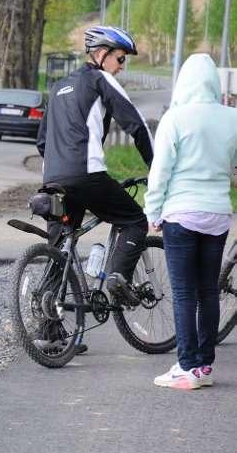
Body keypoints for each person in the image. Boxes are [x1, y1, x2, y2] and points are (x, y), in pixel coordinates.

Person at [37, 25, 154, 311]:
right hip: (86, 174)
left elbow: (41, 141)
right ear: (102, 54)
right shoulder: (99, 79)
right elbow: (136, 125)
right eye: (121, 58)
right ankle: (119, 278)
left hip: (51, 179)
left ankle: (48, 327)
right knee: (134, 221)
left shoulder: (57, 87)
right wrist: (158, 168)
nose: (122, 67)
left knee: (59, 248)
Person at [144, 53, 237, 390]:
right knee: (208, 292)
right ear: (213, 83)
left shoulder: (175, 118)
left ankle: (186, 366)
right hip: (216, 214)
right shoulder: (232, 118)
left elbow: (160, 173)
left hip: (181, 213)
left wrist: (153, 212)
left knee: (183, 293)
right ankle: (204, 367)